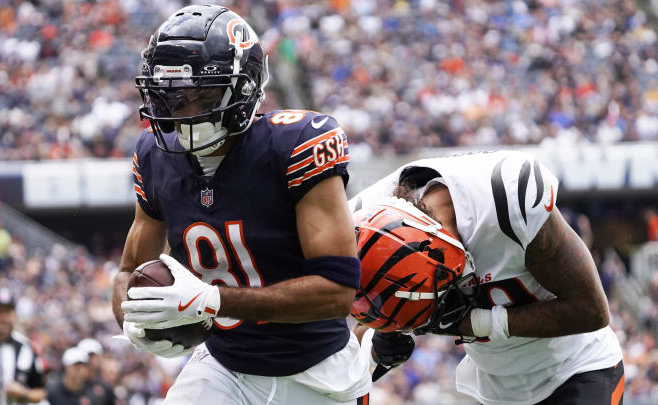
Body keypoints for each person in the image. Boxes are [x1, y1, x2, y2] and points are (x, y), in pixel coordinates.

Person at [111, 4, 370, 405]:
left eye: (202, 96)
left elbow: (337, 293)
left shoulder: (296, 144)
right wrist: (133, 320)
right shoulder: (154, 154)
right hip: (222, 365)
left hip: (318, 373)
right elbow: (128, 270)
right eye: (172, 98)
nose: (185, 114)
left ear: (245, 88)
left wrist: (212, 300)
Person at [351, 150, 624, 405]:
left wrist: (471, 323)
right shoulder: (364, 225)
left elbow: (591, 311)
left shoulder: (507, 198)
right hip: (498, 392)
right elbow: (363, 325)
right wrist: (381, 344)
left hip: (577, 367)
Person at [77, 338, 115, 405]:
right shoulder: (65, 385)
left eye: (92, 356)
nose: (89, 360)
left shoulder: (105, 387)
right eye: (86, 356)